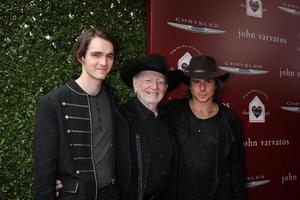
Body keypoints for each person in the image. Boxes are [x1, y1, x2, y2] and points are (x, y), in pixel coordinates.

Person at [33, 27, 121, 200]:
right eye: (96, 55)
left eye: (109, 56)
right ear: (81, 57)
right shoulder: (53, 102)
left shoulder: (111, 96)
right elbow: (44, 167)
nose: (104, 62)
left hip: (111, 193)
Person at [165, 55, 245, 200]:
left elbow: (236, 169)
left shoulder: (231, 121)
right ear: (189, 85)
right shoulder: (172, 113)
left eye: (208, 81)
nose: (202, 88)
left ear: (216, 85)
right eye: (196, 81)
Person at [117, 54, 183, 200]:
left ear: (165, 88)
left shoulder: (169, 118)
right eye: (148, 80)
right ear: (135, 83)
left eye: (160, 82)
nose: (154, 87)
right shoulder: (121, 119)